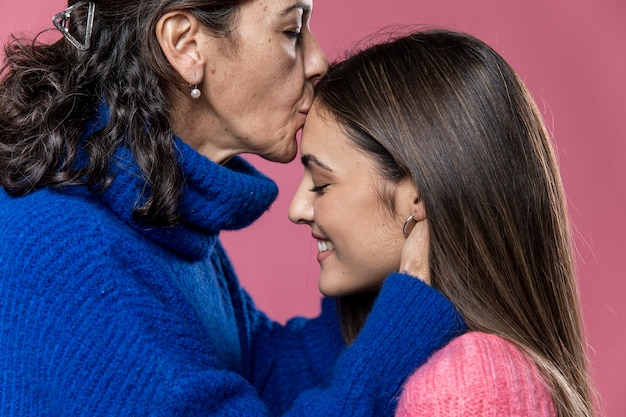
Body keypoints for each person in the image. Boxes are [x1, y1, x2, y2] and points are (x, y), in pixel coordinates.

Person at [0, 1, 466, 416]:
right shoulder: (63, 251)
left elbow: (262, 373)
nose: (319, 61)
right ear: (185, 44)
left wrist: (387, 254)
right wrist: (403, 329)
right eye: (292, 29)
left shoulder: (155, 216)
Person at [289, 28, 596, 417]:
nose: (297, 208)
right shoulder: (450, 362)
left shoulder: (468, 384)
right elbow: (259, 363)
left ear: (416, 196)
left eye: (320, 183)